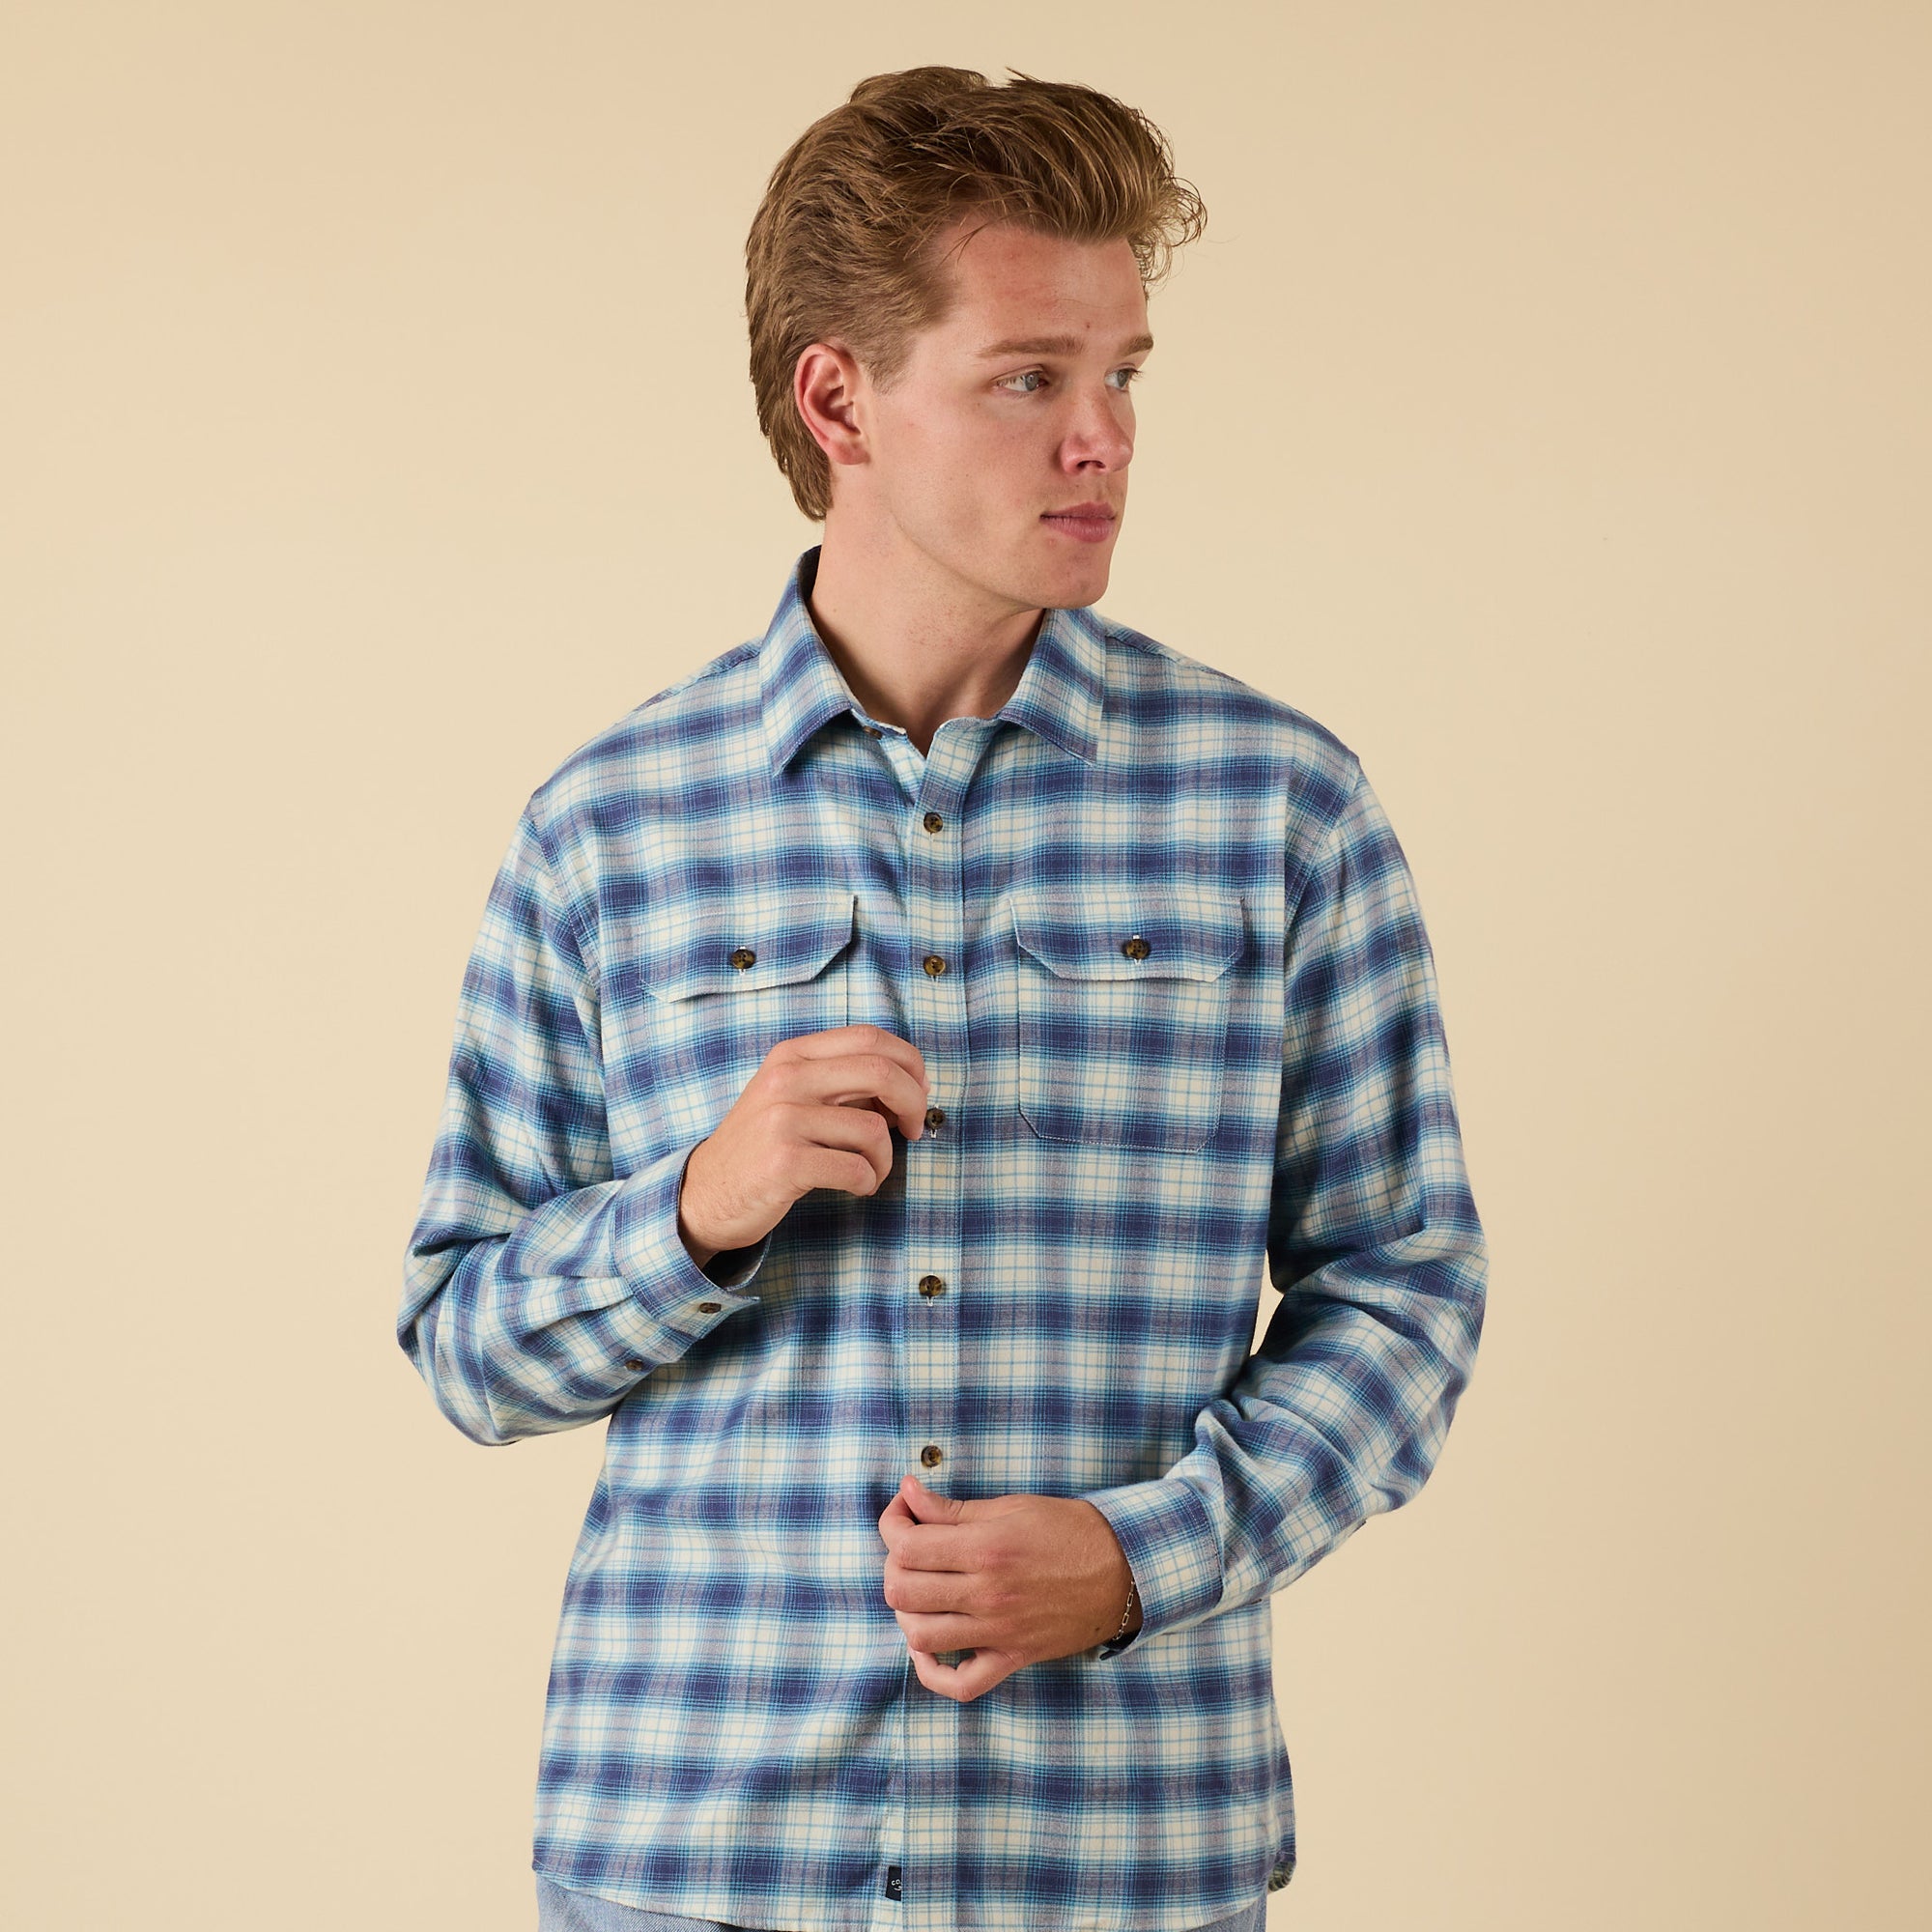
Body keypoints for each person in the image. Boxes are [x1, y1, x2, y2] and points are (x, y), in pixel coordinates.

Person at [398, 65, 1488, 1932]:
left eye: (1123, 373)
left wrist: (1148, 1556)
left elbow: (1407, 1292)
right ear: (841, 399)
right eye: (1028, 377)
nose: (1105, 439)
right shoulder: (611, 827)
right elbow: (463, 1341)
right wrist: (693, 1210)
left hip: (1122, 1859)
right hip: (695, 1858)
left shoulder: (1279, 806)